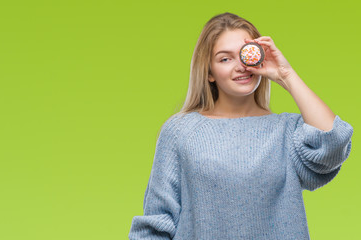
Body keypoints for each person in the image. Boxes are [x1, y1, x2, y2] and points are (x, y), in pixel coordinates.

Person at [128, 12, 354, 239]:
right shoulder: (180, 131)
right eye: (225, 59)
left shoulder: (287, 131)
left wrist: (286, 74)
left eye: (245, 55)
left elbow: (333, 142)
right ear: (209, 72)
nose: (241, 67)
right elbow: (156, 224)